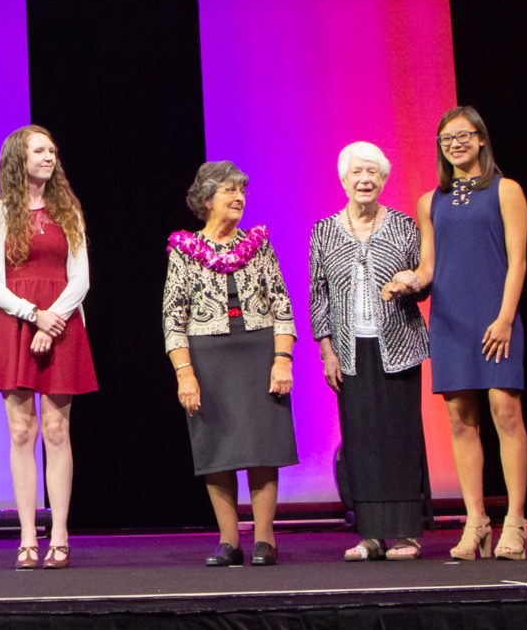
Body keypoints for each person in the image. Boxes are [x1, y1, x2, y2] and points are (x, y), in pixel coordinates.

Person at [399, 107, 527, 561]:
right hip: (451, 320)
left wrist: (505, 317)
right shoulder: (430, 200)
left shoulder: (506, 190)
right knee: (461, 418)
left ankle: (515, 520)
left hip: (496, 315)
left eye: (463, 135)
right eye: (445, 138)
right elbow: (430, 266)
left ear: (481, 139)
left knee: (505, 410)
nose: (454, 143)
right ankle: (476, 521)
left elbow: (518, 261)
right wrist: (410, 281)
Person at [164, 160, 299, 567]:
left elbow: (282, 305)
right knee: (218, 448)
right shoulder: (184, 251)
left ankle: (264, 538)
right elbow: (173, 318)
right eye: (229, 190)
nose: (239, 197)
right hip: (207, 357)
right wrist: (184, 374)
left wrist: (282, 360)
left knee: (262, 446)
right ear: (207, 200)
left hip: (258, 351)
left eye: (241, 190)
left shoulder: (258, 244)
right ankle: (228, 540)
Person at [0, 125, 96, 569]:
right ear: (19, 159)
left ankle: (60, 535)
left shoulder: (69, 212)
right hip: (14, 323)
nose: (50, 156)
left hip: (62, 323)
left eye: (52, 150)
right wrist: (33, 315)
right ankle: (27, 535)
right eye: (40, 150)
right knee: (21, 431)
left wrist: (53, 321)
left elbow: (80, 278)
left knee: (56, 431)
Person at [309, 144, 431, 559]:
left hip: (398, 345)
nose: (365, 179)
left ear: (383, 180)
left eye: (373, 173)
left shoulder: (402, 225)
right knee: (360, 441)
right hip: (349, 350)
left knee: (400, 438)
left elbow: (425, 279)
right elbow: (318, 294)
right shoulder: (323, 231)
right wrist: (327, 350)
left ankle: (406, 534)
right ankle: (370, 536)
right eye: (357, 172)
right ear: (343, 180)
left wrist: (410, 281)